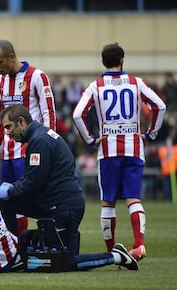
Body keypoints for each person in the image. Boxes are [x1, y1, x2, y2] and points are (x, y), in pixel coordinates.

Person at [0, 104, 139, 271]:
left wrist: (12, 189)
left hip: (62, 207)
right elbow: (35, 178)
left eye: (8, 127)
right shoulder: (41, 135)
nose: (7, 132)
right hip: (61, 203)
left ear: (21, 121)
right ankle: (18, 251)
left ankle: (117, 256)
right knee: (8, 202)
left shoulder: (39, 140)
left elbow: (34, 181)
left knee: (65, 262)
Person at [72, 43, 166, 260]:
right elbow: (159, 106)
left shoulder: (96, 86)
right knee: (133, 199)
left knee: (108, 202)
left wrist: (91, 140)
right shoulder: (136, 83)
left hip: (108, 150)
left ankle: (111, 251)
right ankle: (139, 245)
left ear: (103, 62)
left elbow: (78, 114)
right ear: (122, 60)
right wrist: (151, 134)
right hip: (134, 147)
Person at [0, 39, 57, 238]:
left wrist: (50, 147)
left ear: (12, 57)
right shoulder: (1, 81)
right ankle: (16, 248)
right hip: (8, 156)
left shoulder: (37, 77)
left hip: (31, 152)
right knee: (8, 202)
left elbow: (49, 114)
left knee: (36, 199)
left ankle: (47, 244)